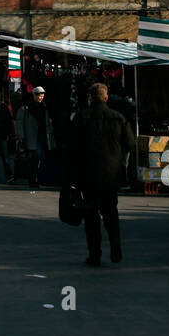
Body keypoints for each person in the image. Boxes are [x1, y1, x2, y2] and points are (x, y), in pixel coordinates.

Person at [70, 83, 136, 266]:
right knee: (111, 214)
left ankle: (95, 254)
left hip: (88, 176)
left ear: (90, 98)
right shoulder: (119, 118)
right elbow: (130, 144)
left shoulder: (81, 118)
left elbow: (72, 149)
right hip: (111, 174)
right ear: (106, 97)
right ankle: (116, 250)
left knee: (91, 217)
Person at [17, 85, 55, 189]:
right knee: (36, 158)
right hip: (32, 136)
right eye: (39, 95)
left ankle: (35, 179)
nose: (41, 97)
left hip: (41, 136)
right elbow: (19, 122)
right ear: (34, 95)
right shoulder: (27, 107)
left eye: (42, 95)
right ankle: (33, 179)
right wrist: (21, 136)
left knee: (38, 158)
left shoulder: (43, 106)